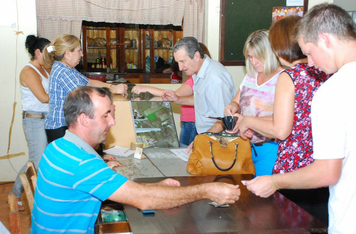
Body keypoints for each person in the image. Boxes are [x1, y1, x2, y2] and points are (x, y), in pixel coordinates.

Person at [31, 86, 241, 233]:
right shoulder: (81, 162)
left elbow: (114, 190)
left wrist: (157, 188)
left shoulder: (59, 146)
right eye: (106, 115)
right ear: (84, 120)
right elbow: (144, 200)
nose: (112, 122)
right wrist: (206, 191)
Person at [245, 4, 356, 233]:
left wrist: (274, 181)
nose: (311, 63)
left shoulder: (334, 89)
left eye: (309, 52)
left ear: (325, 40)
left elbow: (327, 171)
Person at [238, 15, 330, 225]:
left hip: (295, 168)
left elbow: (281, 129)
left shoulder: (290, 77)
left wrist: (247, 120)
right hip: (324, 166)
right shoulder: (326, 71)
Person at [209, 30, 283, 176]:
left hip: (269, 148)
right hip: (244, 145)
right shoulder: (250, 76)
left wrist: (248, 121)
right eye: (250, 57)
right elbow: (236, 101)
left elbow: (283, 120)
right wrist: (232, 107)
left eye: (258, 57)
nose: (254, 62)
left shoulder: (282, 79)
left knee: (262, 194)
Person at [42, 34, 128, 143]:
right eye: (79, 51)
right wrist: (113, 90)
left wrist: (113, 87)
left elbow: (89, 82)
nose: (82, 54)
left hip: (64, 125)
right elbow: (84, 96)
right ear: (68, 54)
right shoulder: (62, 71)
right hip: (59, 127)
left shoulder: (69, 69)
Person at [131, 42, 212, 147]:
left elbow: (174, 95)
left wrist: (147, 88)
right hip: (190, 123)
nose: (181, 67)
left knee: (185, 152)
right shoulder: (198, 77)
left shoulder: (196, 79)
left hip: (192, 124)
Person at [9, 35, 50, 211]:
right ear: (38, 52)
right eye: (48, 52)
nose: (51, 57)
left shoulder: (44, 69)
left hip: (45, 119)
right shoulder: (29, 71)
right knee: (36, 161)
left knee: (41, 160)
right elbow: (43, 97)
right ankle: (14, 194)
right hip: (34, 120)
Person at [162, 37, 235, 135]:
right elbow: (202, 100)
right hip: (206, 134)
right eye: (178, 62)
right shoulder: (198, 71)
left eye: (183, 61)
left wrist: (201, 140)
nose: (180, 67)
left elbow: (225, 119)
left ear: (196, 56)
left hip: (216, 138)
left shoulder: (215, 78)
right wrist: (178, 99)